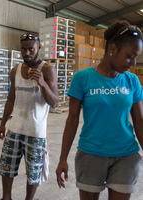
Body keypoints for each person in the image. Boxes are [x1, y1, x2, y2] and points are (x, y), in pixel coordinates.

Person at [56, 21, 143, 200]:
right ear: (112, 49)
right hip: (91, 155)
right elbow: (71, 120)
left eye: (136, 57)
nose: (133, 63)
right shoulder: (82, 78)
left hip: (125, 155)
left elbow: (139, 121)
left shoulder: (132, 81)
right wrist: (63, 158)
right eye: (130, 56)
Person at [0, 32, 59, 200]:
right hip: (15, 127)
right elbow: (11, 99)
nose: (27, 53)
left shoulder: (47, 70)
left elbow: (54, 102)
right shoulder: (15, 70)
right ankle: (6, 198)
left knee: (33, 173)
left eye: (31, 49)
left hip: (36, 132)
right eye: (23, 49)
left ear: (39, 47)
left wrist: (43, 84)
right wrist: (3, 124)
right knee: (6, 167)